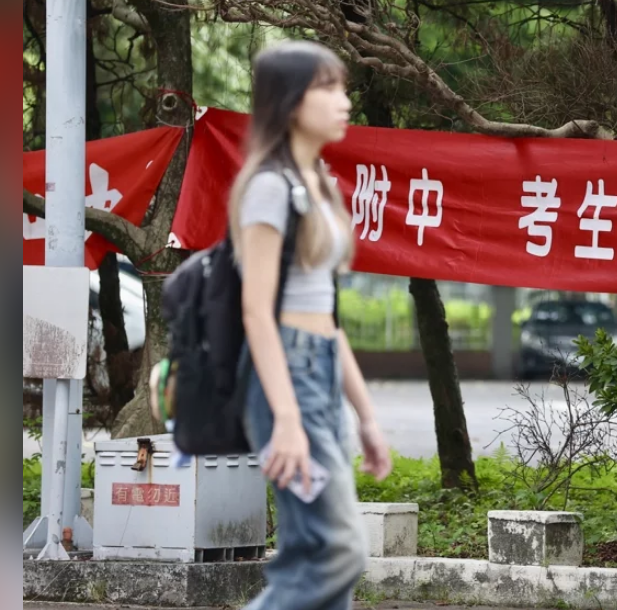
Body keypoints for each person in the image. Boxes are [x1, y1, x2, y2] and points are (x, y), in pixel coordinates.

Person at [229, 40, 393, 610]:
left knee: (321, 560)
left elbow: (327, 317)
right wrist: (288, 418)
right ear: (291, 102)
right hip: (287, 378)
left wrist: (366, 416)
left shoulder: (318, 184)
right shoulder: (269, 187)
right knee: (338, 550)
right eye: (329, 88)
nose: (344, 101)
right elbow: (257, 312)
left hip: (318, 367)